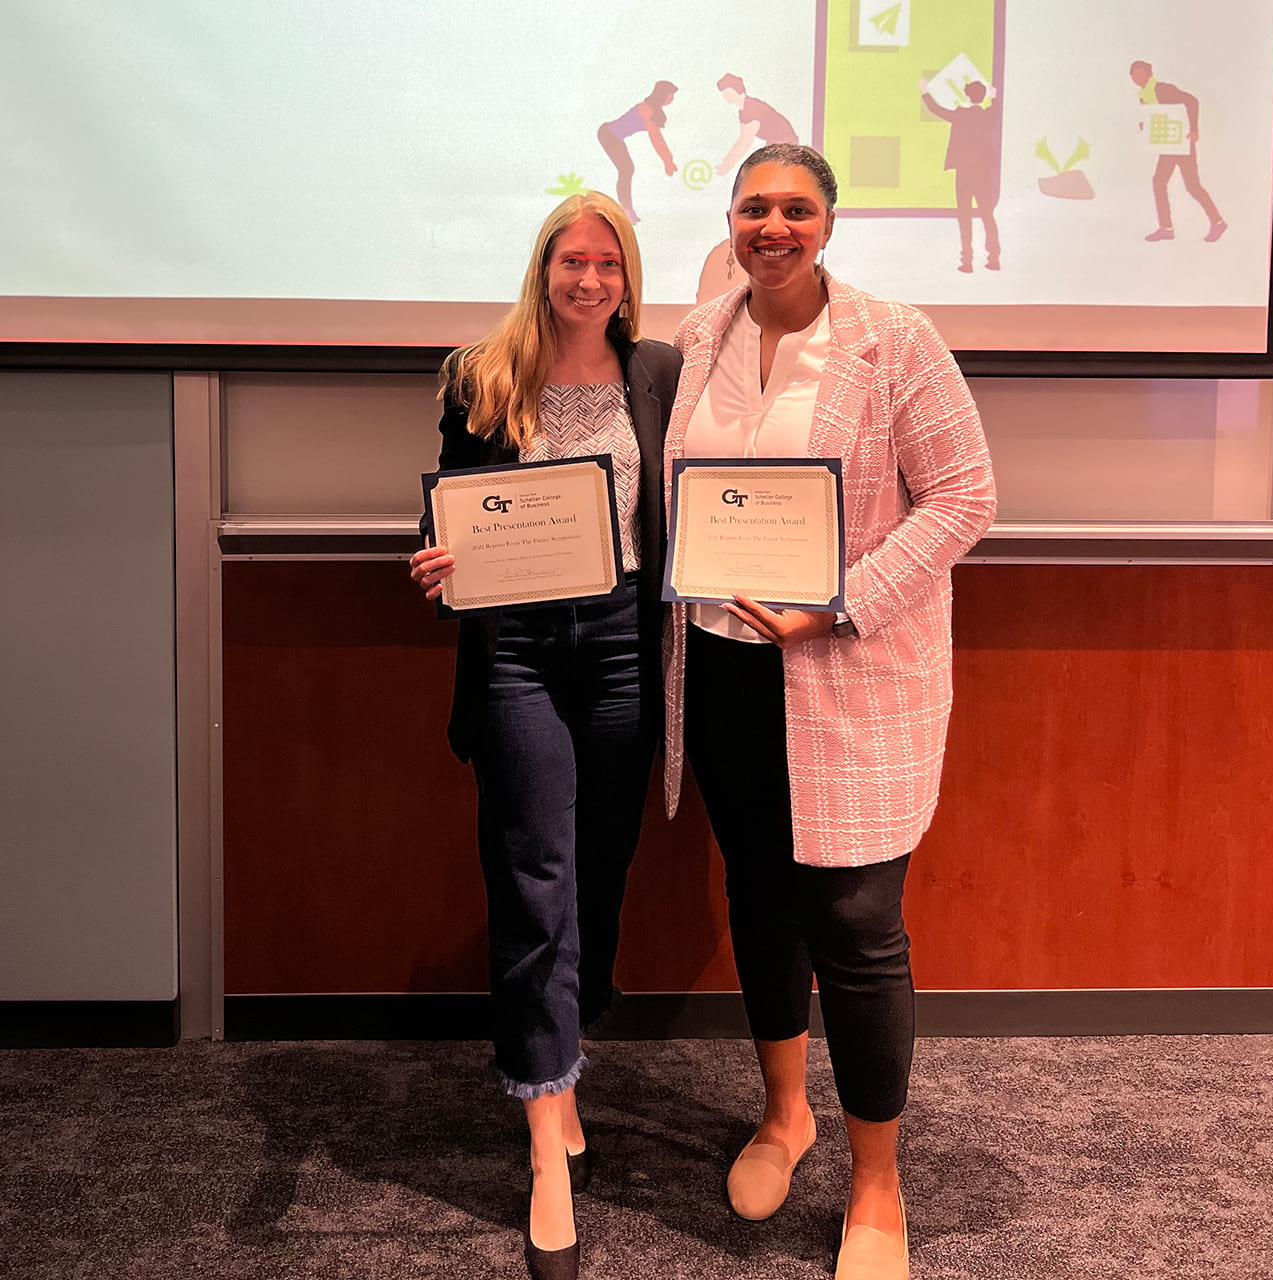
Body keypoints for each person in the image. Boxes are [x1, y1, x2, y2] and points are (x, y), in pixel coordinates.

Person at [662, 145, 995, 1279]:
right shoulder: (701, 333)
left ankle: (873, 1184)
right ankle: (782, 1113)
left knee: (854, 922)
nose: (773, 224)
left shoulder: (892, 337)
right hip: (721, 665)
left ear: (827, 223)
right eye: (754, 205)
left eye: (794, 207)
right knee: (756, 893)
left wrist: (840, 604)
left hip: (846, 672)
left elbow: (965, 497)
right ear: (730, 219)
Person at [409, 191, 680, 1280]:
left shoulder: (657, 372)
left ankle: (566, 1048)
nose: (588, 280)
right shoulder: (481, 374)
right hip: (515, 646)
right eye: (571, 260)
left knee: (599, 866)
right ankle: (545, 1140)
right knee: (533, 870)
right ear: (543, 267)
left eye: (606, 264)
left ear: (626, 277)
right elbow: (446, 517)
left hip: (620, 638)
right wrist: (431, 559)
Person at [1129, 60, 1227, 243]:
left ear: (1149, 74)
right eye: (1134, 75)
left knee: (1192, 186)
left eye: (1140, 73)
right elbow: (1158, 116)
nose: (1137, 78)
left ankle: (1218, 222)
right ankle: (1166, 228)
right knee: (1159, 182)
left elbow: (1192, 101)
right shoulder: (1143, 95)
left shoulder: (1163, 89)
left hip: (1182, 144)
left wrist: (1195, 128)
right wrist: (1146, 125)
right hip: (1167, 146)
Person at [919, 78, 1002, 272]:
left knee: (964, 216)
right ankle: (994, 258)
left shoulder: (960, 115)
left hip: (964, 173)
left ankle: (967, 262)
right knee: (987, 215)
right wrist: (994, 97)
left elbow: (936, 110)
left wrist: (924, 91)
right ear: (981, 98)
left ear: (966, 95)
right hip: (982, 173)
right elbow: (995, 109)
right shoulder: (987, 115)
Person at [597, 81, 678, 224]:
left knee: (627, 169)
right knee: (627, 169)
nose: (671, 99)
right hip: (608, 134)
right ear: (661, 95)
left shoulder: (653, 110)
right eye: (670, 95)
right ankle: (625, 209)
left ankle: (627, 209)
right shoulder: (645, 109)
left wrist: (668, 160)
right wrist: (667, 160)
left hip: (615, 136)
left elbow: (657, 136)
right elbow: (655, 138)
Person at [715, 73, 799, 176]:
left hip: (784, 142)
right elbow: (742, 139)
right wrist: (726, 162)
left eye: (727, 92)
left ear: (736, 90)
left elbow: (745, 142)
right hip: (775, 142)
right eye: (723, 93)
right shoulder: (744, 109)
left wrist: (726, 167)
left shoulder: (751, 108)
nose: (725, 96)